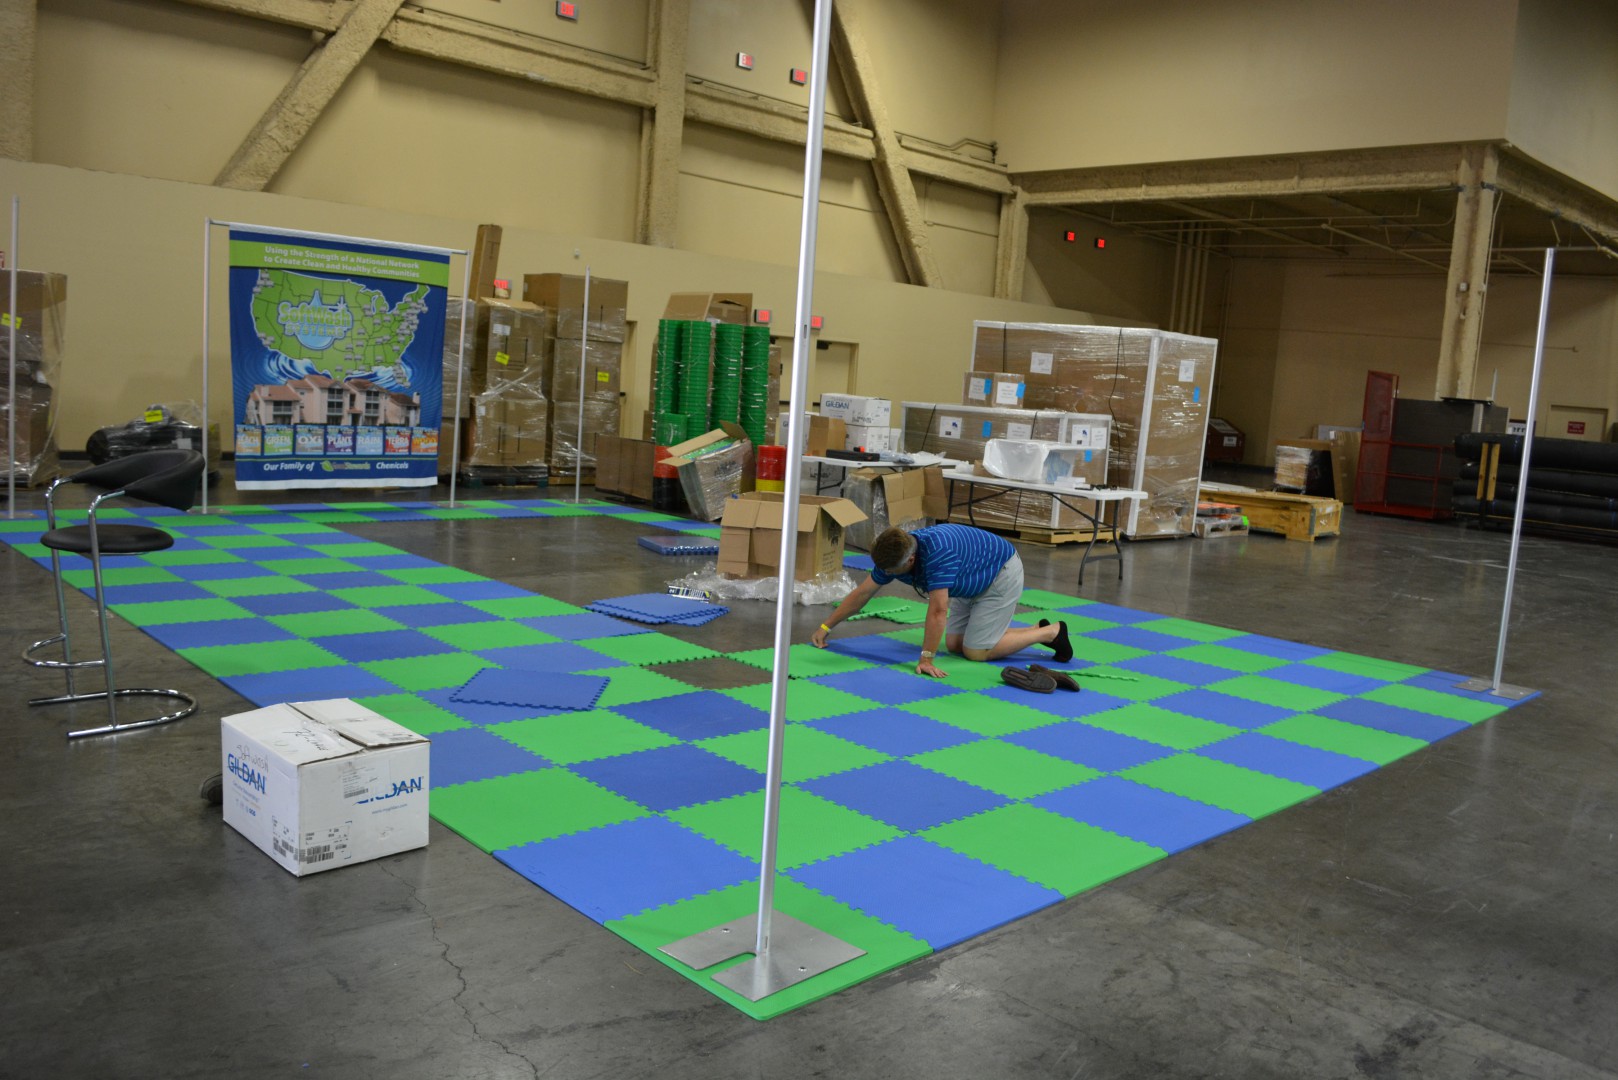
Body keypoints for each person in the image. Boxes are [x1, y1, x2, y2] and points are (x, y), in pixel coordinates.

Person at [810, 523, 1073, 679]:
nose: (886, 574)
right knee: (955, 644)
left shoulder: (937, 555)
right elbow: (862, 593)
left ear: (911, 560)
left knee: (976, 652)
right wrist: (826, 626)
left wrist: (926, 659)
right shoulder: (894, 554)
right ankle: (1035, 629)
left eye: (891, 571)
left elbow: (938, 610)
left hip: (999, 574)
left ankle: (1051, 632)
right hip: (967, 579)